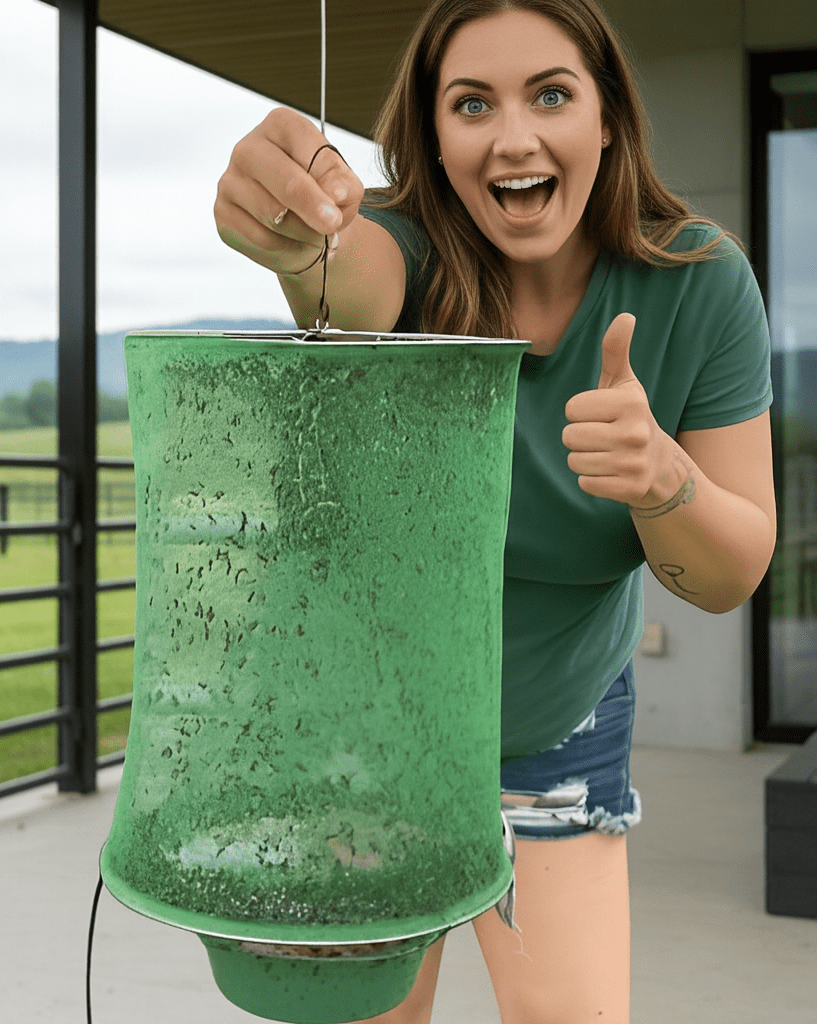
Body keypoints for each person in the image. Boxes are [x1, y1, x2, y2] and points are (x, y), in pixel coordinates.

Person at [213, 1, 776, 1021]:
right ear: (433, 136)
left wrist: (662, 480)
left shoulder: (700, 283)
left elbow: (734, 570)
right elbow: (347, 280)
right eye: (471, 103)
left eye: (551, 94)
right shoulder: (406, 252)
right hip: (366, 733)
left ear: (607, 116)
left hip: (558, 729)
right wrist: (299, 242)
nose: (513, 137)